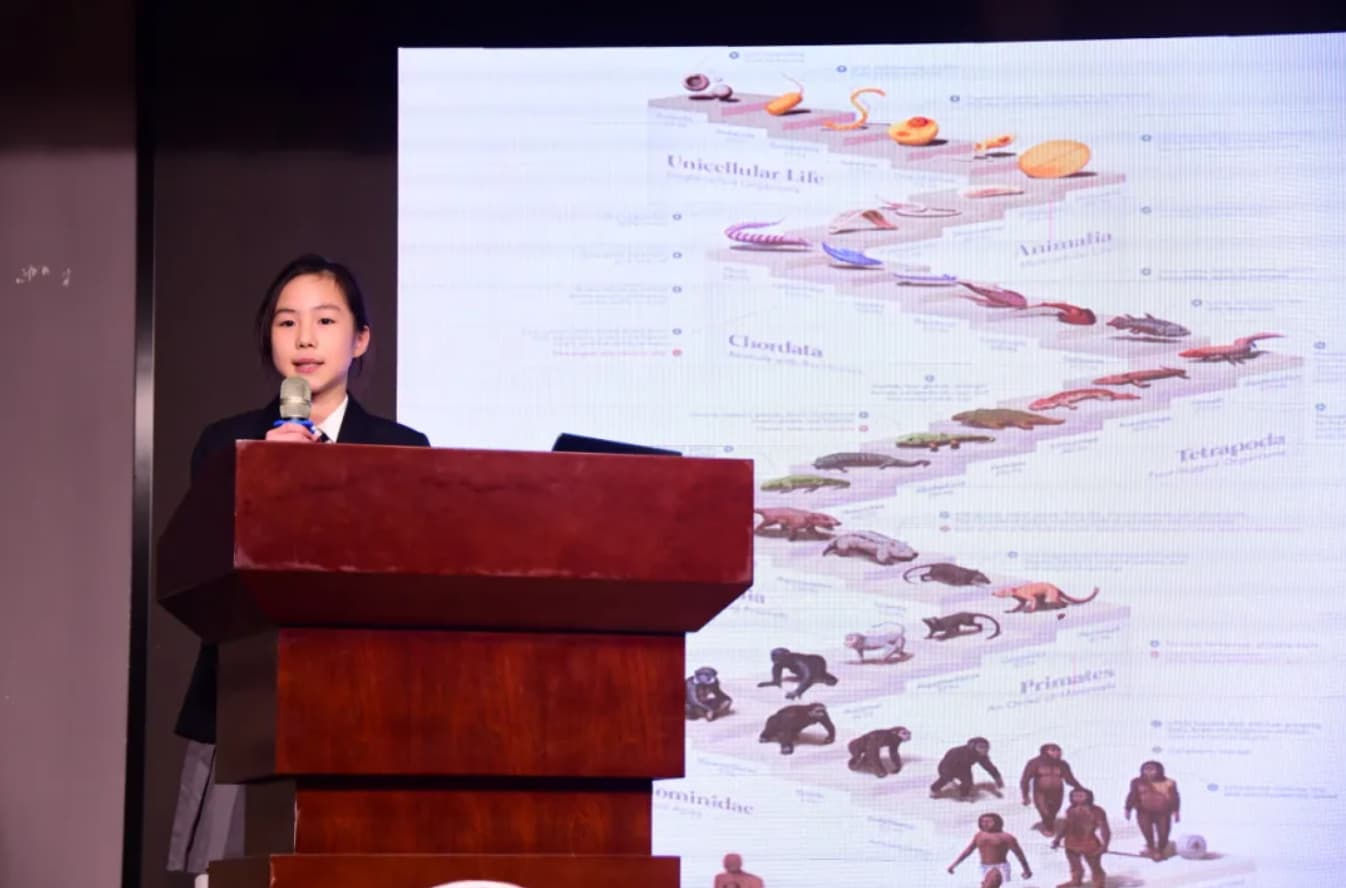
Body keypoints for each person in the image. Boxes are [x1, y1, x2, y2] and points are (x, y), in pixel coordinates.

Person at [166, 254, 430, 882]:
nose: (305, 339)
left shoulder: (402, 450)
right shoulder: (225, 443)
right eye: (287, 322)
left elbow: (408, 581)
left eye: (325, 320)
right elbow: (197, 576)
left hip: (362, 704)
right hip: (242, 701)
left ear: (360, 339)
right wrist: (259, 478)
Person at [947, 813, 1032, 887]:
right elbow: (968, 851)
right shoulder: (979, 836)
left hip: (999, 867)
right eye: (983, 822)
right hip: (983, 867)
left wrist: (1026, 869)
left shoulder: (1006, 837)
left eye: (988, 822)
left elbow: (1019, 854)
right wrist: (954, 865)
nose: (985, 824)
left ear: (997, 822)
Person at [1051, 787, 1110, 887]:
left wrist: (1105, 845)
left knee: (1095, 866)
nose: (1077, 798)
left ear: (1088, 797)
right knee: (1074, 865)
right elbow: (1066, 826)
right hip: (1071, 842)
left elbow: (1104, 828)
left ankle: (1099, 884)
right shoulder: (1070, 810)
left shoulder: (1097, 811)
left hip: (1089, 842)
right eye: (1075, 796)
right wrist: (1057, 839)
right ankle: (1076, 880)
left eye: (1081, 796)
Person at [1124, 759, 1180, 861]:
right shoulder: (1136, 782)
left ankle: (1161, 850)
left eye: (1152, 770)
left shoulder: (1169, 782)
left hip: (1163, 813)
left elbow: (1175, 797)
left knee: (1163, 833)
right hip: (1143, 812)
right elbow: (1132, 795)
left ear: (1159, 770)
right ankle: (1151, 849)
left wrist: (1176, 811)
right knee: (1147, 832)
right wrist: (1128, 809)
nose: (1149, 772)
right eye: (1146, 770)